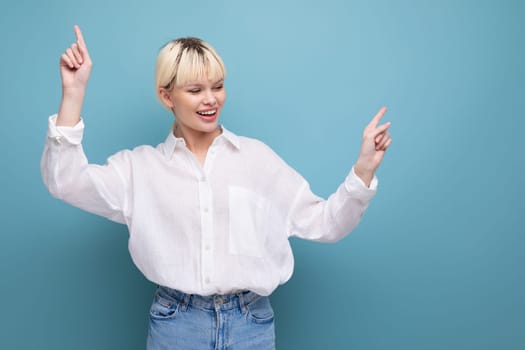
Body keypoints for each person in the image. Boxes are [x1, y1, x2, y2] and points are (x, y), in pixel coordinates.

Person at [41, 25, 392, 350]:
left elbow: (326, 224)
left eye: (218, 86)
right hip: (176, 324)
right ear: (167, 96)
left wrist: (362, 171)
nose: (211, 99)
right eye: (195, 90)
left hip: (251, 324)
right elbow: (66, 181)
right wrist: (73, 93)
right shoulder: (139, 168)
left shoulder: (257, 159)